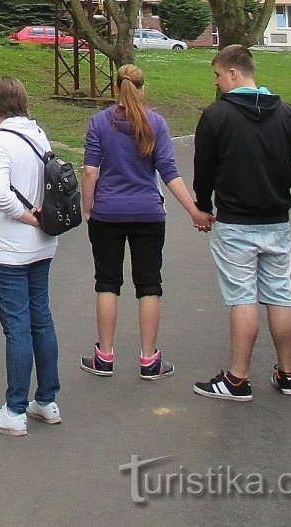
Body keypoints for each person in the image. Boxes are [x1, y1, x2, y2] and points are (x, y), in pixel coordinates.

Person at [192, 44, 291, 401]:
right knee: (280, 294)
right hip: (276, 220)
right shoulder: (285, 112)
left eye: (217, 75)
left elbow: (203, 171)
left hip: (236, 222)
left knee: (242, 297)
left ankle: (237, 378)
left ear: (233, 73)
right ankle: (288, 373)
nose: (216, 83)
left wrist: (203, 206)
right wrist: (288, 180)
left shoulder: (216, 116)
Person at [79, 63, 213, 381]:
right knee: (149, 284)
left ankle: (105, 357)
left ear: (116, 89)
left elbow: (89, 172)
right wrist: (194, 210)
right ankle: (149, 359)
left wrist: (89, 209)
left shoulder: (99, 122)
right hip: (149, 213)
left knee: (107, 282)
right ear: (143, 88)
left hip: (107, 213)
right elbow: (168, 172)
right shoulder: (156, 123)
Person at [0, 75, 61, 436]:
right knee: (41, 319)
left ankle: (14, 409)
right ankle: (47, 400)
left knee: (17, 328)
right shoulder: (39, 135)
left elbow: (0, 194)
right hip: (43, 244)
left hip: (9, 248)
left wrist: (26, 215)